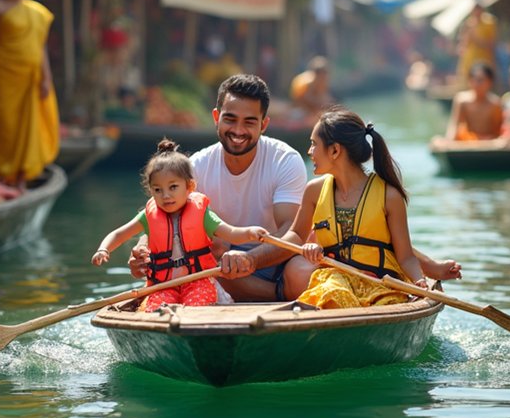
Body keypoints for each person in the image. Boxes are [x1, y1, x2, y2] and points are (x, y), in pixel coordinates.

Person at [128, 74, 461, 302]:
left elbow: (296, 234)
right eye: (230, 119)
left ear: (264, 124)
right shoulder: (196, 166)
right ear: (216, 117)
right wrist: (144, 249)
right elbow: (159, 212)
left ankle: (285, 300)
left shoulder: (284, 159)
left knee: (304, 269)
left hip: (279, 264)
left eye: (249, 122)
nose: (238, 130)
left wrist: (424, 276)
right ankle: (278, 299)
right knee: (211, 255)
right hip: (222, 266)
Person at [92, 139, 267, 311]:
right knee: (158, 309)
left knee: (196, 307)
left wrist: (250, 232)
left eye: (173, 187)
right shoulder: (148, 215)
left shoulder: (202, 214)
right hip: (163, 285)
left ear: (189, 186)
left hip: (198, 281)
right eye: (158, 190)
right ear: (150, 190)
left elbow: (231, 232)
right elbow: (119, 234)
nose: (166, 195)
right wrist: (103, 249)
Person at [282, 108, 427, 308]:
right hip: (334, 282)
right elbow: (297, 235)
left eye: (314, 144)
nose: (310, 151)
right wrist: (304, 247)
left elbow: (406, 256)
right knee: (332, 293)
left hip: (381, 284)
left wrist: (420, 283)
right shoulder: (313, 191)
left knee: (384, 302)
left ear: (334, 150)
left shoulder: (390, 196)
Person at [0, 0, 60, 187]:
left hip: (31, 77)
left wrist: (47, 77)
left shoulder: (37, 12)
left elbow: (40, 47)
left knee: (29, 128)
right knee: (5, 126)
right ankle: (3, 176)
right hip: (4, 75)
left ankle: (21, 180)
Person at [444, 62, 503, 141]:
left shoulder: (495, 103)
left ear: (489, 82)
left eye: (480, 80)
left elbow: (498, 131)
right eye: (473, 80)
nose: (477, 84)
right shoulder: (462, 100)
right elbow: (454, 125)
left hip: (489, 142)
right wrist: (448, 141)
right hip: (468, 141)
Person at [455, 4, 497, 89]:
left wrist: (476, 39)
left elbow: (491, 44)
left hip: (484, 60)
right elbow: (464, 44)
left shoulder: (489, 22)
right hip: (469, 61)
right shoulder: (469, 23)